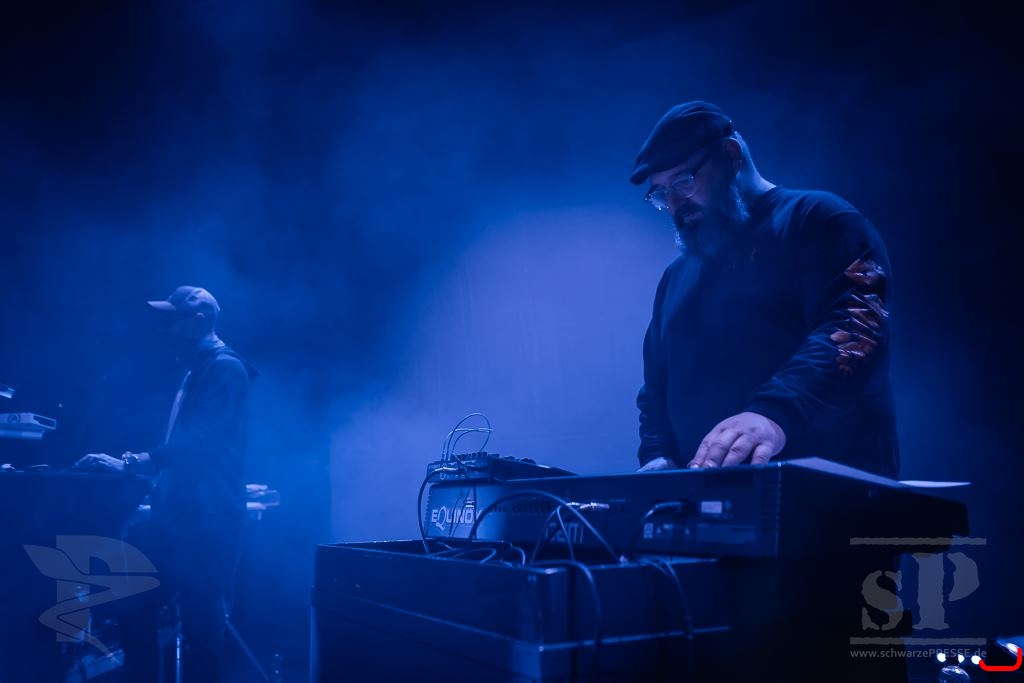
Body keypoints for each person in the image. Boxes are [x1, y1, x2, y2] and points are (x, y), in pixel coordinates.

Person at [631, 101, 897, 478]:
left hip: (830, 493)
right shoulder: (674, 278)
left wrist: (771, 415)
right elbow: (655, 388)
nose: (674, 204)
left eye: (683, 182)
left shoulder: (819, 221)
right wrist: (658, 453)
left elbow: (854, 330)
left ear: (731, 155)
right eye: (661, 194)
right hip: (710, 501)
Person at [74, 285, 259, 682]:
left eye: (172, 320)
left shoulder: (225, 368)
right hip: (179, 521)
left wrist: (134, 463)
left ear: (199, 320)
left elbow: (201, 439)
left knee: (201, 631)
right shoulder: (197, 369)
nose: (165, 329)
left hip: (207, 525)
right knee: (134, 603)